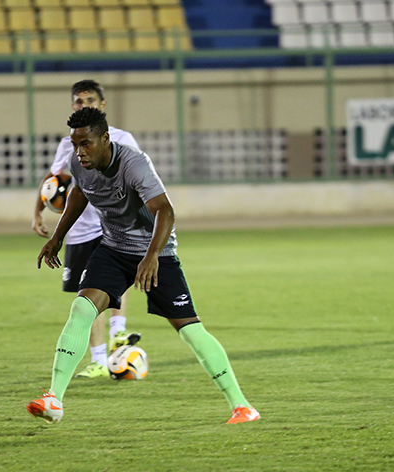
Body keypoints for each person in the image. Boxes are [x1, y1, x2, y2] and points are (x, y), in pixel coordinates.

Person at [27, 107, 260, 425]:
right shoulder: (76, 164)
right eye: (75, 143)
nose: (79, 152)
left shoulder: (134, 164)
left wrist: (151, 257)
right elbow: (79, 196)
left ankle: (242, 405)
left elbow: (165, 210)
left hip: (157, 254)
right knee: (82, 310)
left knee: (190, 330)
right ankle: (54, 398)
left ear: (105, 139)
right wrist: (57, 238)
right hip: (111, 250)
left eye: (86, 144)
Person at [32, 79, 140, 379]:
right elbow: (54, 180)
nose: (84, 105)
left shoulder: (121, 138)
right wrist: (37, 213)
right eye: (78, 101)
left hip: (114, 224)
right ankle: (100, 360)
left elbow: (139, 175)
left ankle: (119, 333)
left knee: (116, 280)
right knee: (85, 295)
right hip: (80, 229)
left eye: (89, 100)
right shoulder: (68, 143)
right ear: (72, 106)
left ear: (102, 105)